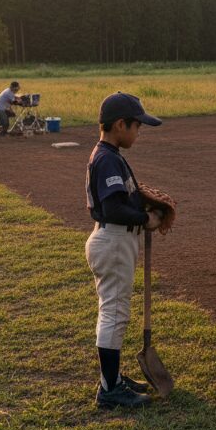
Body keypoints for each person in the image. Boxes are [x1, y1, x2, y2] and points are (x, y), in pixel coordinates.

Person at [85, 92, 177, 408]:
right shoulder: (107, 157)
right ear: (120, 125)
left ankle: (111, 379)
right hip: (112, 239)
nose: (139, 132)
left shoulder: (110, 155)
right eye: (136, 126)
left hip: (115, 240)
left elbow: (122, 199)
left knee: (115, 312)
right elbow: (112, 208)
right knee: (114, 313)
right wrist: (144, 218)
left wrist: (142, 204)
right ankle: (109, 390)